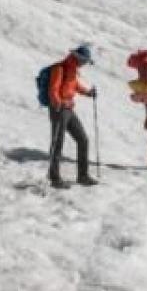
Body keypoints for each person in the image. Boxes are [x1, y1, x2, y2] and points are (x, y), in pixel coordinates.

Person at [45, 44, 98, 189]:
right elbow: (53, 90)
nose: (85, 64)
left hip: (68, 109)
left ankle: (83, 176)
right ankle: (54, 178)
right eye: (84, 61)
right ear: (78, 57)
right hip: (59, 110)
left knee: (83, 139)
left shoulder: (73, 69)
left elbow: (74, 86)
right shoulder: (60, 68)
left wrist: (88, 93)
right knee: (57, 143)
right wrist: (58, 103)